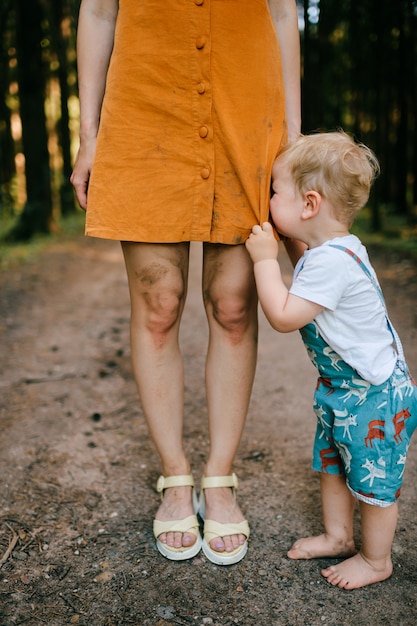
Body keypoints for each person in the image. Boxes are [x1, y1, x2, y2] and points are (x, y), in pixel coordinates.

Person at [70, 0, 302, 565]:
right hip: (147, 104)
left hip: (248, 110)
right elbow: (99, 12)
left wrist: (293, 135)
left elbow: (280, 14)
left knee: (232, 304)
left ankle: (218, 476)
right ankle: (176, 477)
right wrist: (89, 132)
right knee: (158, 303)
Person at [245, 131, 417, 588]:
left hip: (375, 396)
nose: (268, 200)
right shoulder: (334, 248)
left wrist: (264, 260)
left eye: (275, 192)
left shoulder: (331, 264)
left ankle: (377, 560)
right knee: (334, 464)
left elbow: (283, 316)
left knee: (374, 486)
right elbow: (303, 266)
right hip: (346, 390)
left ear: (309, 204)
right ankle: (338, 536)